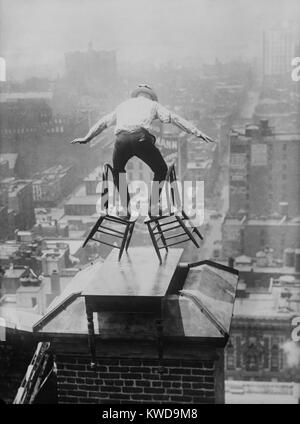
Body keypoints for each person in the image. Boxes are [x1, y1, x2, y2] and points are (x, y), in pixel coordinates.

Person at [71, 84, 215, 217]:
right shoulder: (153, 105)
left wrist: (87, 138)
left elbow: (103, 122)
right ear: (150, 96)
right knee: (161, 170)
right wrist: (197, 132)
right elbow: (174, 118)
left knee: (118, 172)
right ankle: (152, 206)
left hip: (121, 140)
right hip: (141, 139)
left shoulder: (123, 105)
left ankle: (126, 209)